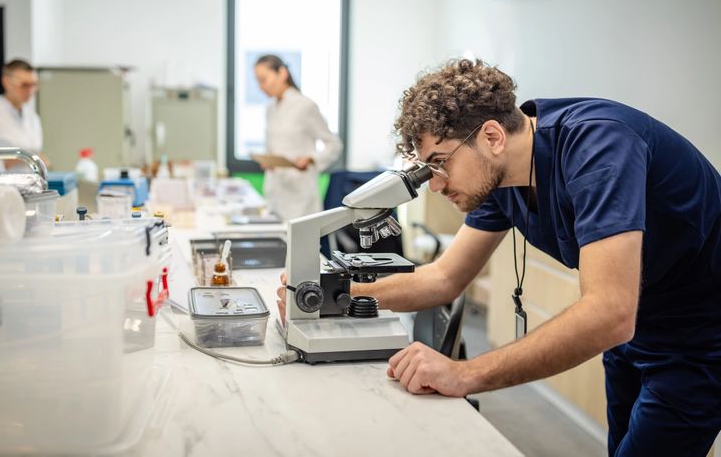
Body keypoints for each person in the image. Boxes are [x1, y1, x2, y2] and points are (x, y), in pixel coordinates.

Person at [278, 59, 721, 456]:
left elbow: (609, 311)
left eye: (439, 164)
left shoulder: (599, 145)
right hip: (635, 335)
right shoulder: (499, 178)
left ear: (491, 135)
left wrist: (465, 374)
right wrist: (328, 292)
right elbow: (444, 279)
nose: (434, 184)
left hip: (700, 339)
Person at [253, 54, 342, 221]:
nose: (261, 86)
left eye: (263, 79)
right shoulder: (270, 109)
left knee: (299, 243)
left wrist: (311, 158)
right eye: (258, 81)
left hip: (300, 196)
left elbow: (334, 145)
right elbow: (273, 146)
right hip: (275, 191)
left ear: (282, 73)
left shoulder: (305, 106)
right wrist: (269, 161)